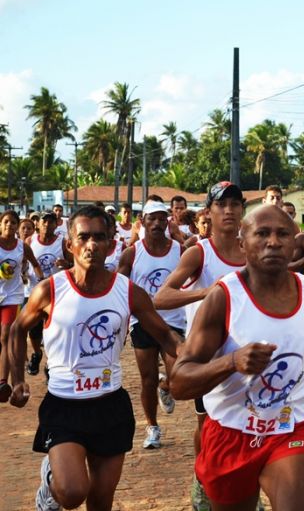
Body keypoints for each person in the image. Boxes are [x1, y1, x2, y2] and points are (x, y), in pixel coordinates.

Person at [169, 204, 304, 511]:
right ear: (242, 245)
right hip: (230, 431)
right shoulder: (224, 298)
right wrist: (231, 361)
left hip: (292, 426)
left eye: (282, 234)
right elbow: (180, 383)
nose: (274, 242)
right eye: (262, 234)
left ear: (295, 244)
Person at [7, 205, 180, 511]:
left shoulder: (128, 292)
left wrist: (193, 360)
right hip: (63, 405)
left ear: (112, 244)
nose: (91, 244)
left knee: (101, 502)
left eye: (99, 237)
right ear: (69, 243)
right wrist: (18, 380)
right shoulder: (50, 291)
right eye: (83, 237)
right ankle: (50, 484)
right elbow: (18, 330)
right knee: (73, 493)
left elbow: (166, 336)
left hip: (110, 404)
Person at [154, 181, 246, 510]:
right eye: (223, 205)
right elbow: (161, 297)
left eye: (236, 204)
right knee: (207, 426)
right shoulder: (199, 253)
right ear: (209, 212)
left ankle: (244, 491)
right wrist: (208, 293)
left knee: (248, 425)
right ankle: (202, 478)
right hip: (206, 358)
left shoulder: (253, 251)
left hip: (246, 356)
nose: (230, 210)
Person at [118, 200, 186, 449]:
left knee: (178, 377)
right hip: (143, 322)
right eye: (152, 219)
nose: (157, 223)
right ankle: (152, 427)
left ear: (167, 221)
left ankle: (166, 386)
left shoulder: (180, 250)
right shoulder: (132, 253)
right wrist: (122, 323)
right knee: (146, 379)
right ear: (143, 222)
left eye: (161, 218)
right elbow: (119, 289)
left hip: (173, 323)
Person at [0, 210, 45, 401]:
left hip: (13, 296)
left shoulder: (22, 247)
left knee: (6, 335)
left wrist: (40, 279)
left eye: (13, 222)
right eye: (6, 222)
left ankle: (3, 383)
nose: (9, 225)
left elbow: (35, 264)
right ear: (0, 225)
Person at [25, 212, 73, 376]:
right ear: (38, 224)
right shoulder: (30, 241)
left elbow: (74, 264)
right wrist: (23, 273)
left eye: (51, 222)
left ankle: (50, 364)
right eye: (44, 221)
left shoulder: (62, 242)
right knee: (34, 329)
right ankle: (37, 353)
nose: (47, 224)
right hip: (34, 291)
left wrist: (66, 263)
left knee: (54, 329)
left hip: (57, 292)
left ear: (56, 225)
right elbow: (23, 262)